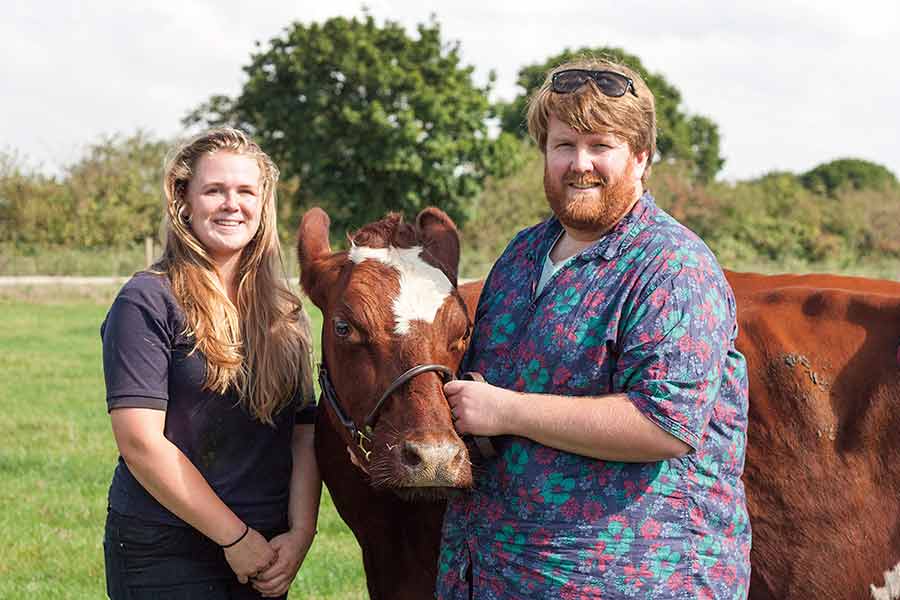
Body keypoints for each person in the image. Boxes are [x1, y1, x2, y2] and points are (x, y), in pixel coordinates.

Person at [439, 58, 751, 599]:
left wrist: (507, 410)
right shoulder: (521, 256)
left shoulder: (671, 266)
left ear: (641, 158)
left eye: (599, 145)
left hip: (633, 578)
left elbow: (666, 426)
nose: (579, 164)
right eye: (563, 145)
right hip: (495, 571)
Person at [101, 127, 321, 599]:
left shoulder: (285, 312)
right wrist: (233, 537)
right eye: (214, 190)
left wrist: (301, 534)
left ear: (262, 206)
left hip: (265, 550)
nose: (231, 204)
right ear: (184, 199)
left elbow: (305, 433)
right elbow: (140, 443)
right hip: (165, 547)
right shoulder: (146, 301)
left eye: (245, 191)